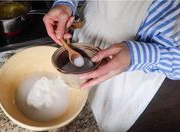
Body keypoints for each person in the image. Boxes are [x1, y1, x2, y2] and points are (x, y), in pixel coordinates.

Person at [43, 0, 180, 131]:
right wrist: (66, 4)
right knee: (71, 96)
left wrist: (136, 55)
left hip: (130, 67)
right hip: (88, 30)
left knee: (101, 114)